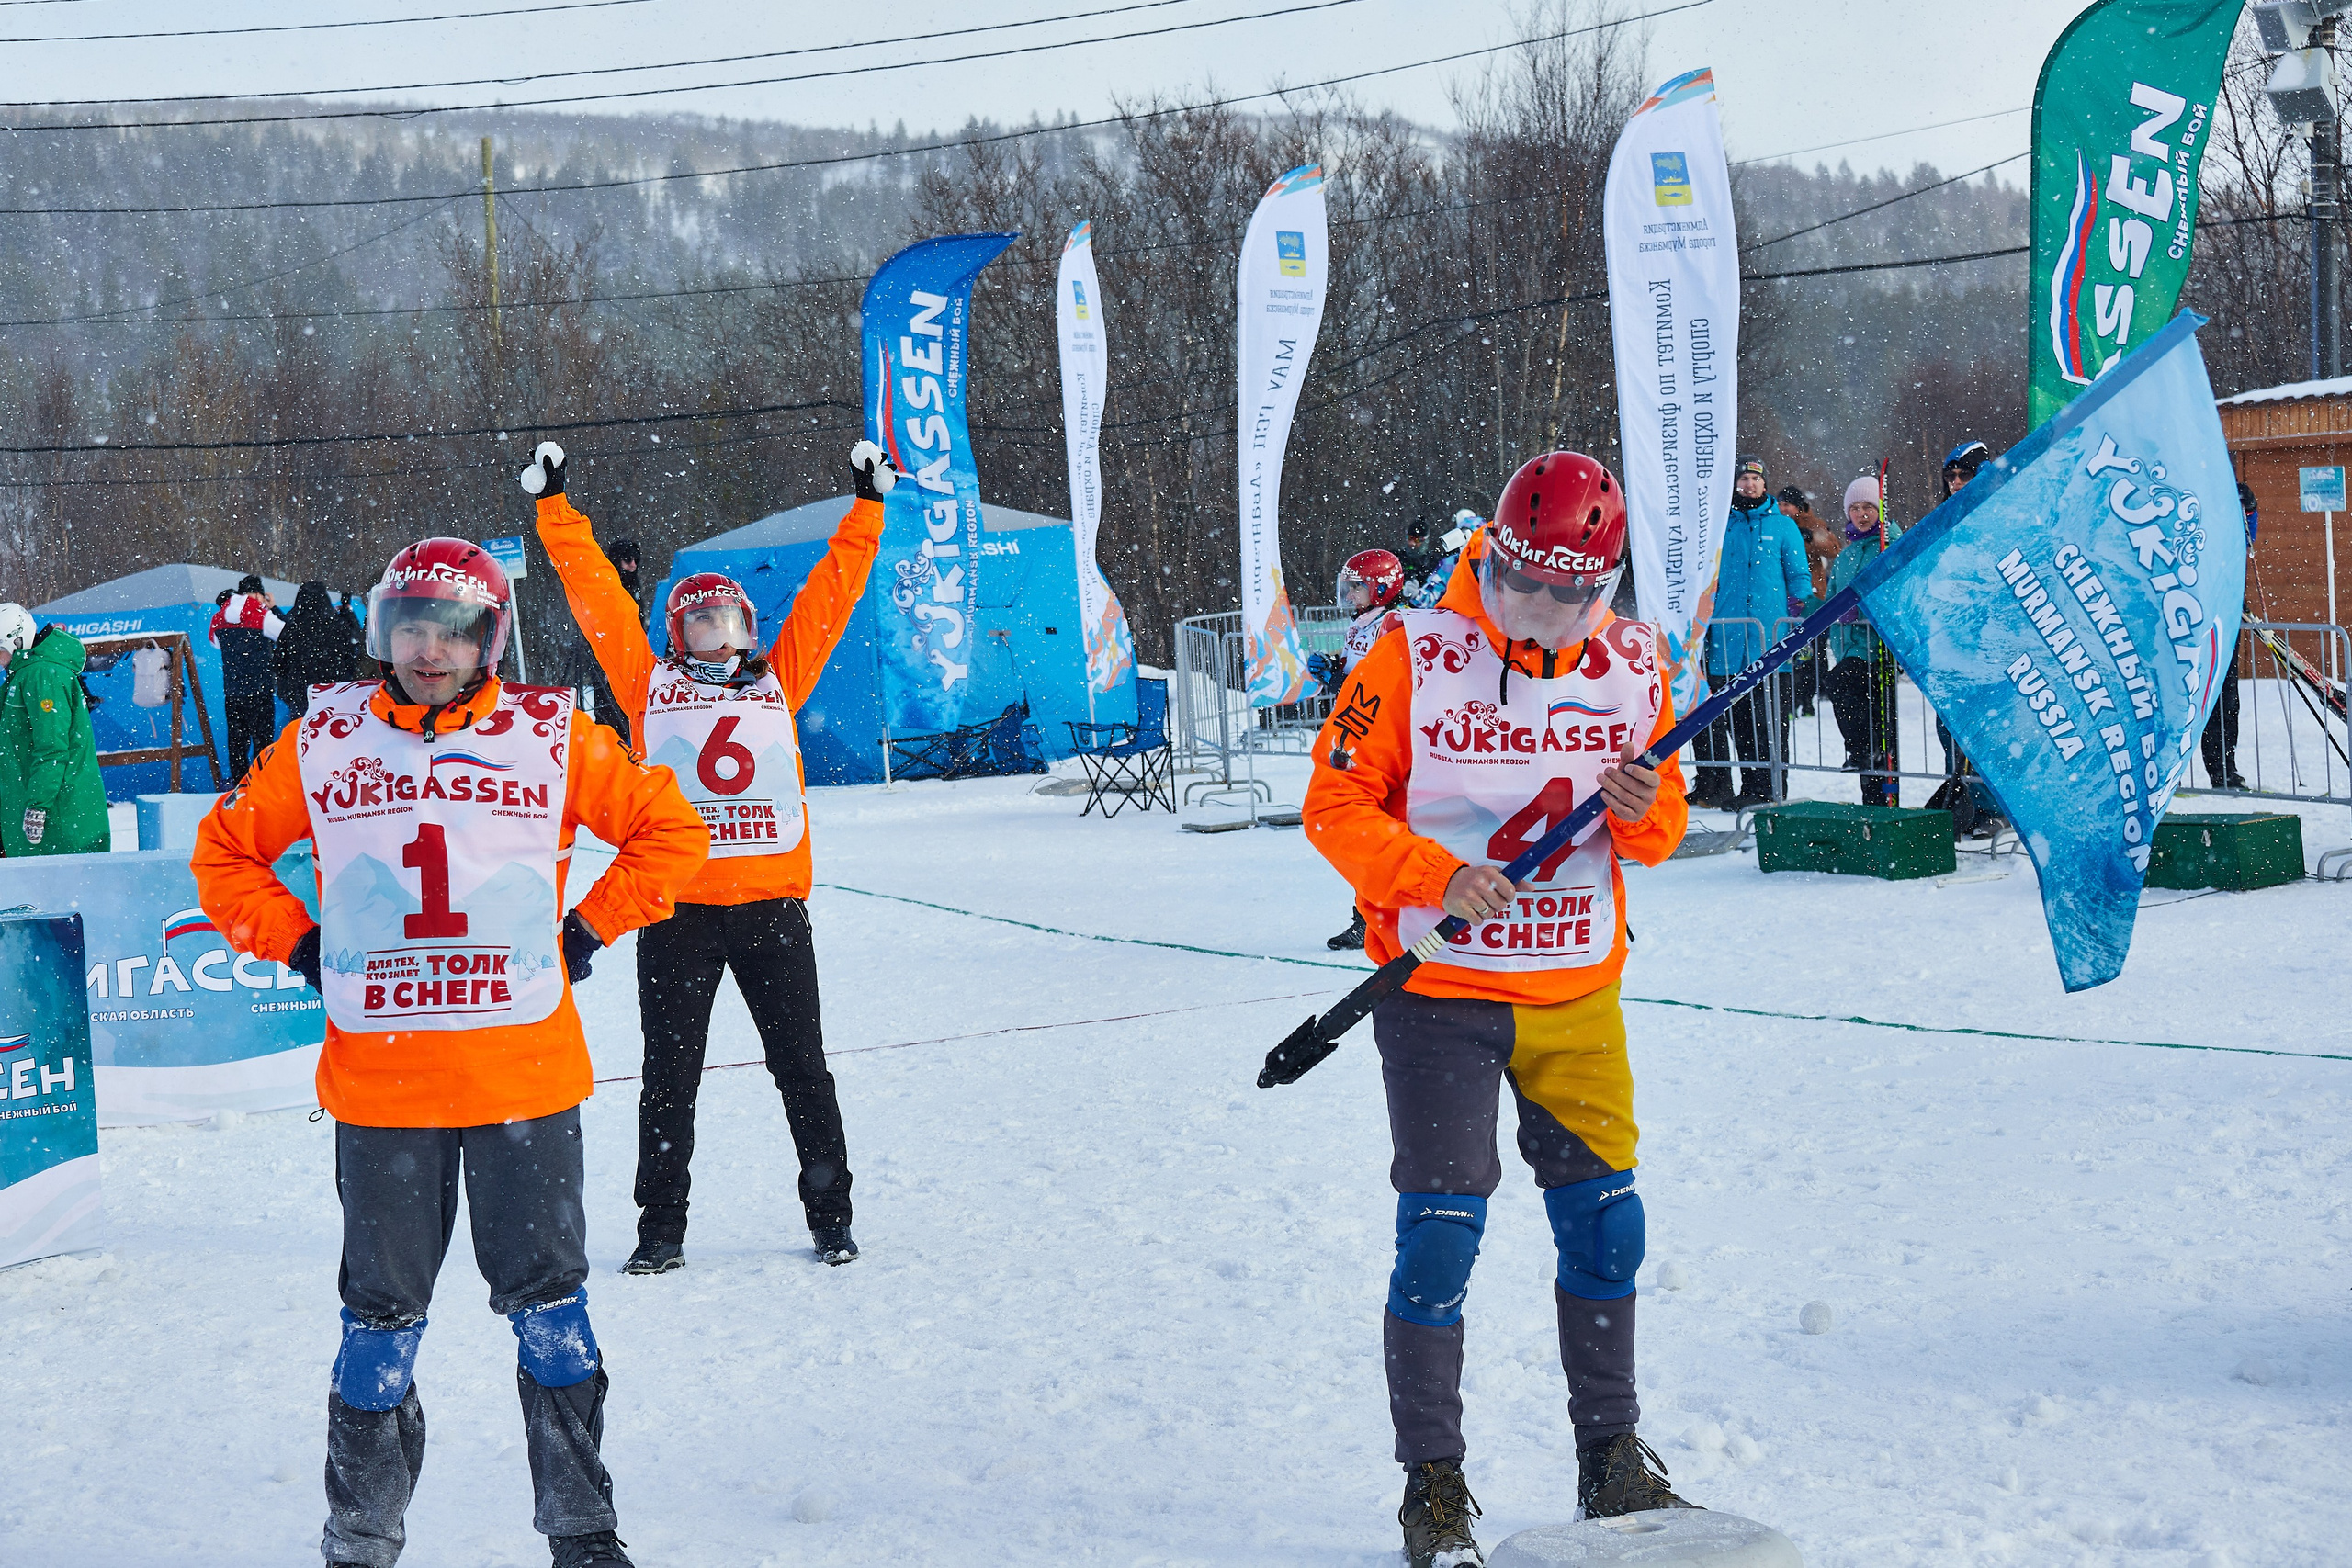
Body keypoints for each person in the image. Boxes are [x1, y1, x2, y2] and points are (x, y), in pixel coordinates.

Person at [190, 536, 706, 1568]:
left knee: (552, 1318)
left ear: (489, 642)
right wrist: (295, 942)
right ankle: (362, 1534)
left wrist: (586, 931)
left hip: (522, 1079)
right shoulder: (323, 740)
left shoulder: (552, 734)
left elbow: (669, 832)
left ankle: (582, 1530)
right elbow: (226, 851)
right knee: (377, 1329)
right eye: (412, 627)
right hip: (384, 1088)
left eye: (454, 630)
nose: (431, 650)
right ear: (384, 633)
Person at [1303, 450, 1696, 1568]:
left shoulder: (1628, 661)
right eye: (1526, 589)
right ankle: (1433, 1480)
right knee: (1439, 1235)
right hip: (1441, 994)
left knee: (1607, 1223)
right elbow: (1333, 803)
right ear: (1498, 557)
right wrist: (1431, 872)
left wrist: (1638, 803)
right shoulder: (1409, 653)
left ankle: (1610, 1452)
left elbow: (1660, 833)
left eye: (1577, 595)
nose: (1547, 616)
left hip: (1576, 988)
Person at [530, 436, 892, 1275]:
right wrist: (557, 512)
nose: (715, 637)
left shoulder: (779, 677)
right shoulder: (647, 682)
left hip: (771, 912)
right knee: (669, 1080)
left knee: (804, 1070)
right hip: (677, 913)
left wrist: (868, 510)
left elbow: (831, 596)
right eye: (699, 623)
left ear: (747, 628)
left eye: (727, 622)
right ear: (675, 630)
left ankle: (832, 1216)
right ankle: (661, 1232)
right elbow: (597, 602)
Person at [1691, 456, 1808, 810]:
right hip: (1727, 642)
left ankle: (1771, 789)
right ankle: (1749, 789)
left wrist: (1795, 611)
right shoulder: (1720, 526)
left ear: (1765, 484)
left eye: (1755, 478)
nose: (1748, 484)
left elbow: (1800, 578)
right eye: (1743, 478)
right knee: (1740, 722)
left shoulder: (1784, 526)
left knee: (1770, 722)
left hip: (1769, 642)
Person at [1307, 548, 1408, 950]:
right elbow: (1359, 679)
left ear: (1382, 589)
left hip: (1382, 741)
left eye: (1357, 588)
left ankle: (1375, 917)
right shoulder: (1360, 626)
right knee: (1360, 828)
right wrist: (1336, 671)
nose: (1349, 597)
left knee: (1373, 827)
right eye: (1346, 588)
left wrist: (1342, 679)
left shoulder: (1392, 623)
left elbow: (1385, 683)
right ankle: (1366, 916)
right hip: (1360, 737)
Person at [1924, 442, 2004, 836]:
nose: (1956, 483)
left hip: (1986, 644)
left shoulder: (1996, 515)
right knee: (1949, 729)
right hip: (1947, 643)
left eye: (1965, 474)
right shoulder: (1943, 519)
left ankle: (1991, 807)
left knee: (1984, 730)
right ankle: (1962, 802)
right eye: (1950, 476)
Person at [0, 608, 109, 857]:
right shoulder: (23, 672)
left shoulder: (42, 674)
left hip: (59, 814)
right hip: (33, 801)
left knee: (58, 891)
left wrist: (37, 806)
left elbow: (52, 748)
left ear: (16, 641)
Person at [1823, 476, 1903, 807]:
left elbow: (1898, 593)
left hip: (1875, 652)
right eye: (1854, 508)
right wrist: (1802, 607)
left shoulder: (1892, 545)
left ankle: (1863, 754)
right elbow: (1829, 601)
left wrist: (1864, 610)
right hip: (1848, 649)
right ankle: (1871, 795)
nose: (1861, 514)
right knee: (1865, 722)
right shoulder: (1846, 555)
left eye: (1869, 506)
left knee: (1840, 684)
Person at [2201, 481, 2256, 790]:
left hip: (2224, 615)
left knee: (2226, 698)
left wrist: (2249, 508)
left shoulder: (2223, 499)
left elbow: (2246, 539)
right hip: (2186, 620)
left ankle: (2223, 770)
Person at [209, 574, 284, 782]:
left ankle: (239, 785)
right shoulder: (261, 614)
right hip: (261, 688)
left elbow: (214, 642)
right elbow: (285, 634)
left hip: (233, 690)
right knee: (263, 742)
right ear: (258, 593)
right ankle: (262, 782)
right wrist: (272, 609)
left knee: (237, 742)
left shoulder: (219, 616)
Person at [1776, 484, 1838, 716]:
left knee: (1814, 652)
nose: (1783, 508)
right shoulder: (1778, 524)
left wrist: (1811, 538)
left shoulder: (1813, 525)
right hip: (1785, 597)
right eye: (1780, 504)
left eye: (1787, 504)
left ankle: (1809, 696)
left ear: (1798, 506)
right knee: (1792, 653)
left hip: (1811, 597)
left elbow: (1833, 549)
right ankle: (1792, 699)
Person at [272, 581, 361, 717]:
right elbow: (353, 651)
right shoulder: (337, 625)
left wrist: (287, 693)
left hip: (301, 695)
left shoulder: (292, 627)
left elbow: (279, 663)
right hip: (333, 695)